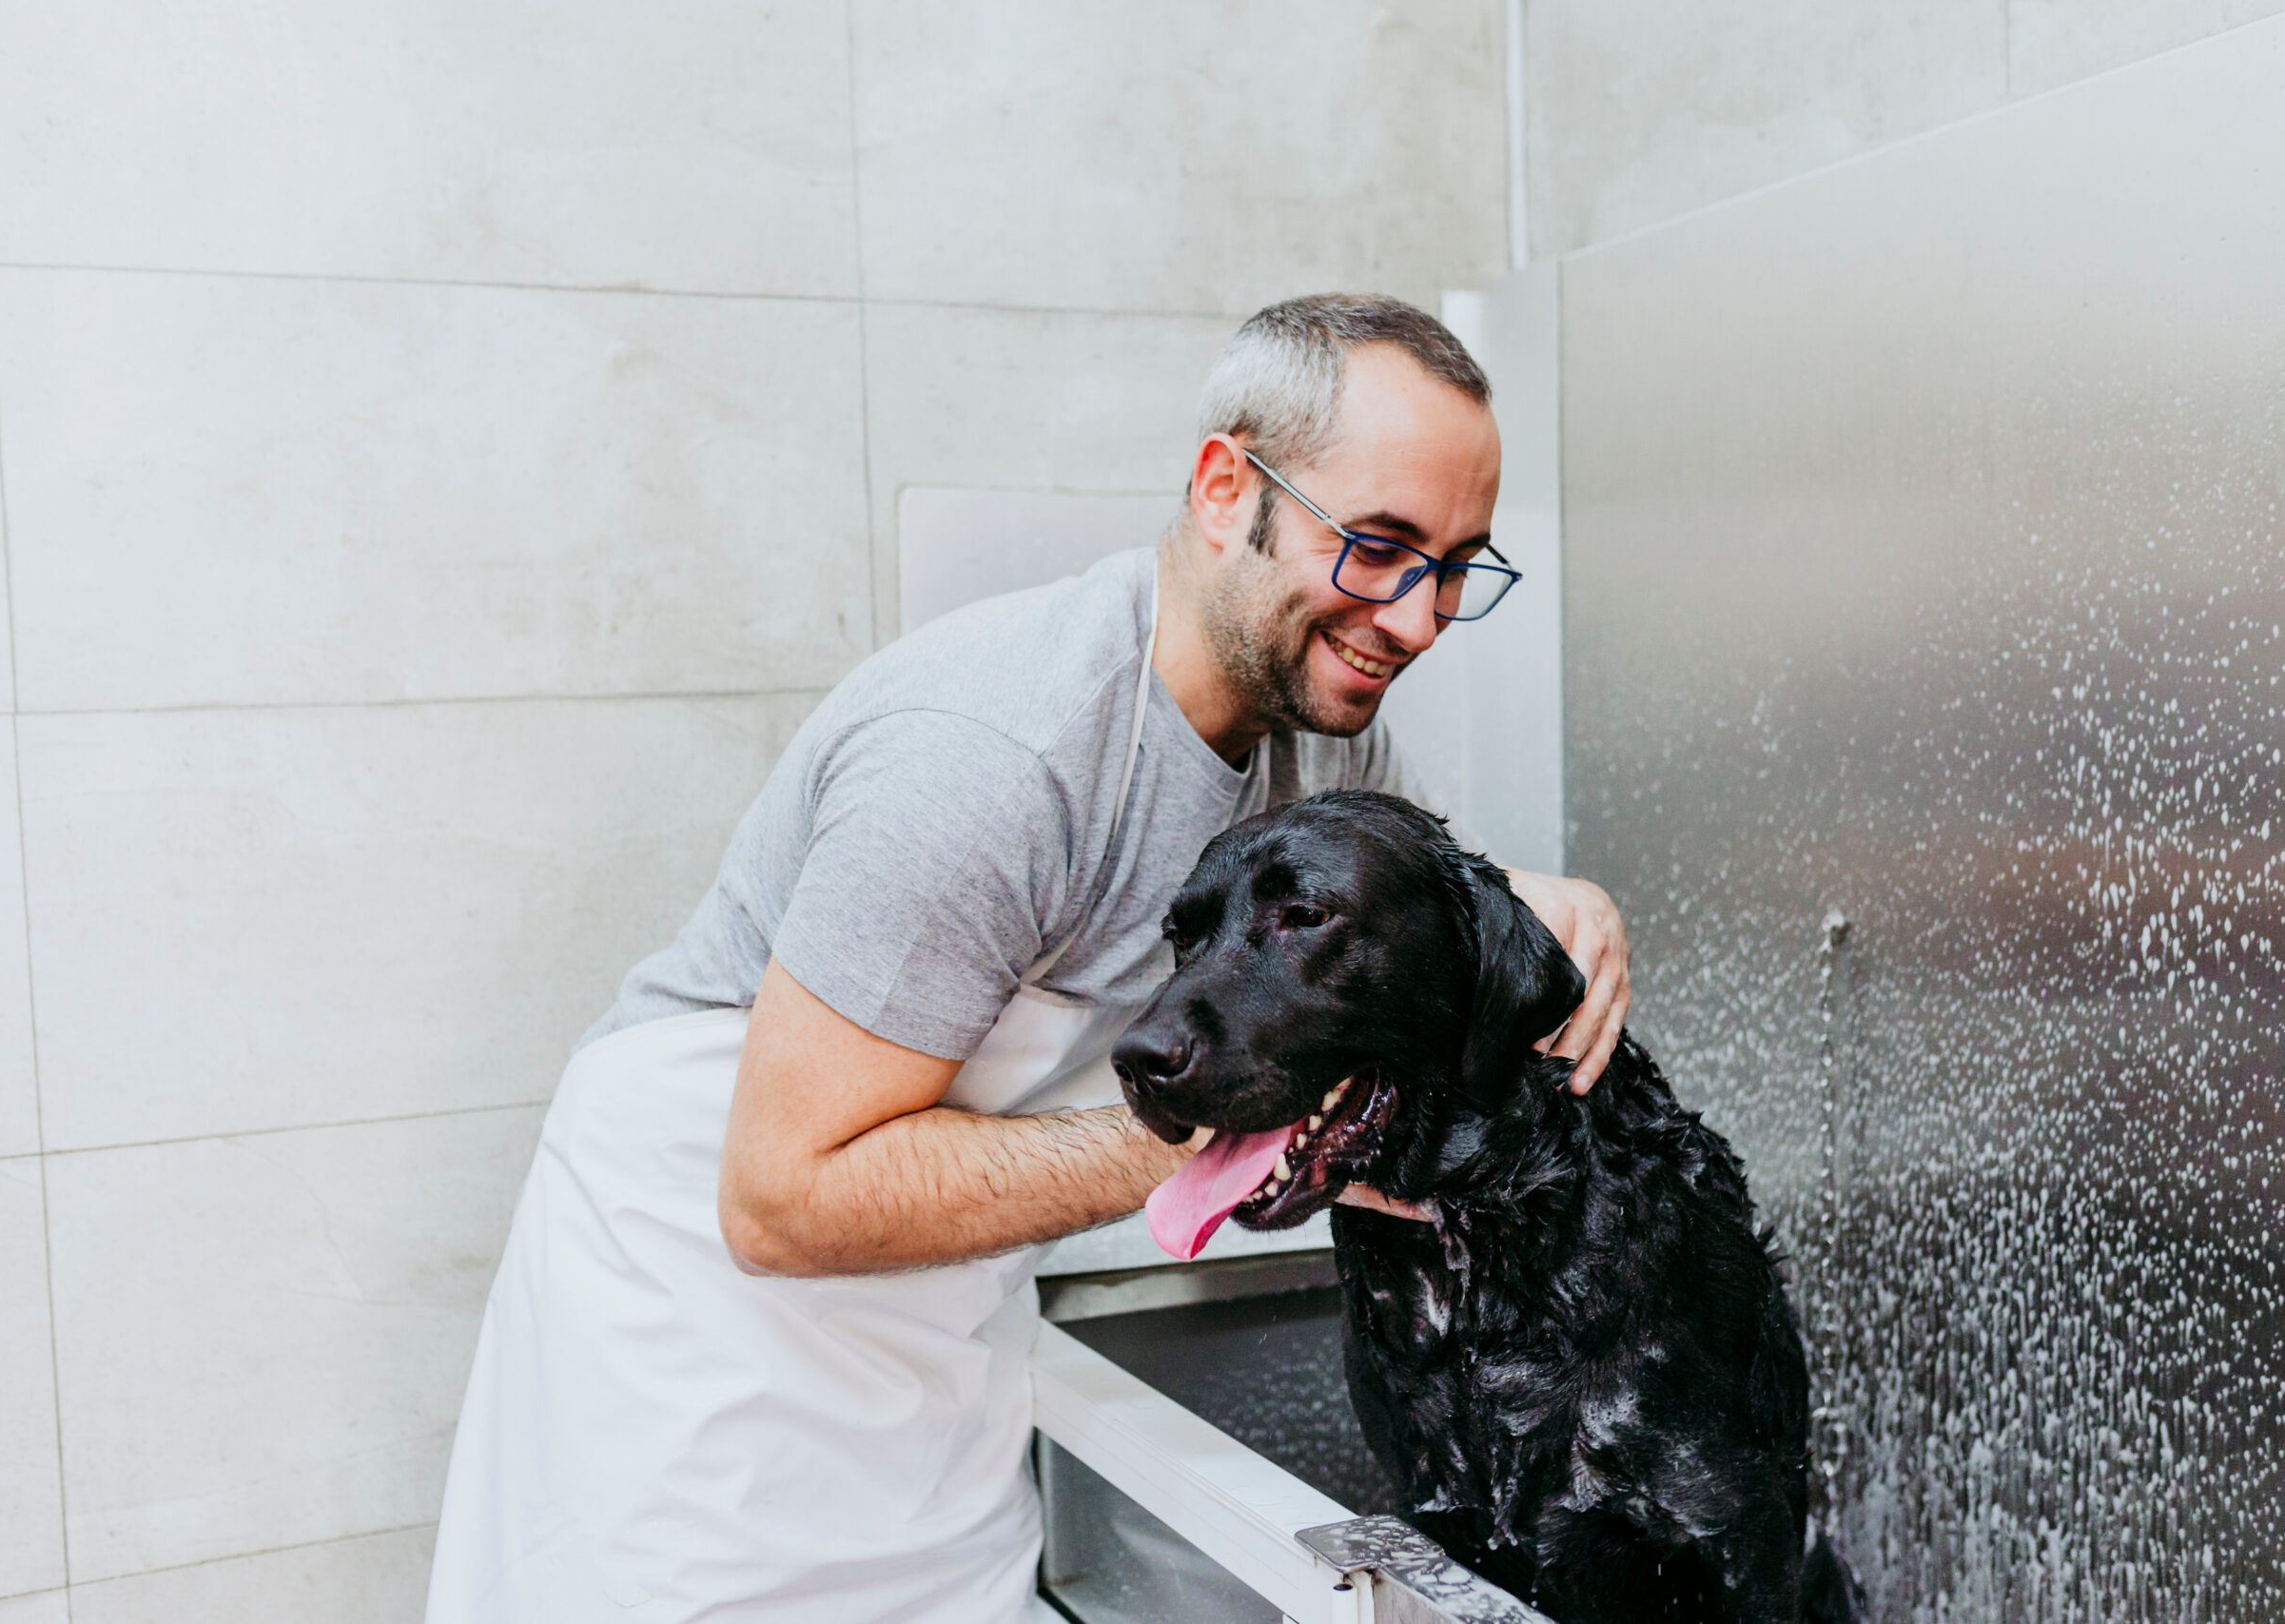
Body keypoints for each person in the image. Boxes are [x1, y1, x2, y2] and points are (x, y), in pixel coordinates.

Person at [425, 293, 1631, 1623]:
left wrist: (1543, 899)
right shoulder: (996, 754)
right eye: (1380, 547)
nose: (1415, 620)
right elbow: (781, 1196)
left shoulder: (1324, 731)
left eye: (1459, 565)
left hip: (935, 1341)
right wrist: (1213, 1132)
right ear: (1227, 489)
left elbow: (1397, 916)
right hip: (698, 1332)